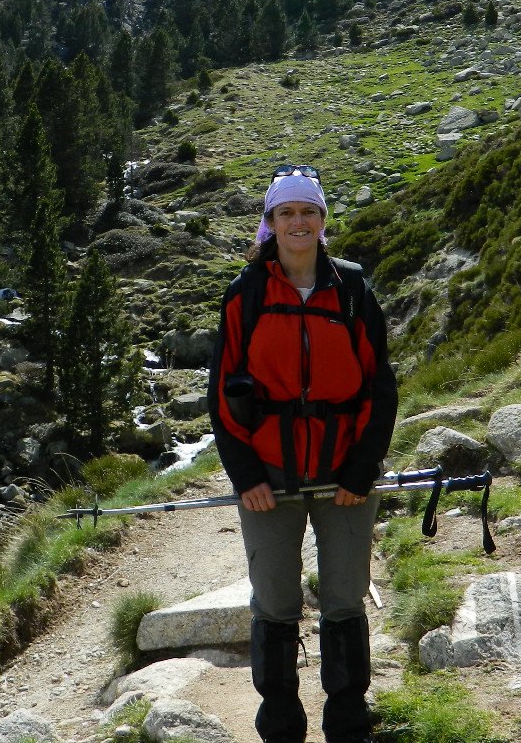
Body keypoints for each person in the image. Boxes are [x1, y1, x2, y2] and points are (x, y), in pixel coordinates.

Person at [207, 165, 398, 743]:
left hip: (345, 476)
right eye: (286, 213)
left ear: (322, 222)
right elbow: (218, 393)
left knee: (344, 599)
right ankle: (282, 724)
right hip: (268, 477)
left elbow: (379, 387)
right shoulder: (245, 294)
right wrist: (245, 477)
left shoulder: (354, 290)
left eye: (308, 212)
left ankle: (347, 721)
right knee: (275, 602)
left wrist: (362, 470)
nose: (298, 222)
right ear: (270, 223)